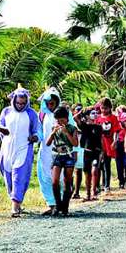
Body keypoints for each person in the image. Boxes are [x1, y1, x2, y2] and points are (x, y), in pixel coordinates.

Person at [0, 86, 39, 217]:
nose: (20, 105)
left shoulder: (31, 114)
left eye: (23, 103)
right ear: (13, 100)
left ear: (27, 102)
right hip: (7, 149)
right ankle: (17, 203)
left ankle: (14, 207)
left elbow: (37, 132)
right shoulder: (6, 112)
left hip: (24, 149)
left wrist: (34, 137)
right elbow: (4, 130)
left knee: (19, 176)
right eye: (18, 103)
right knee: (8, 177)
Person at [37, 87, 74, 215]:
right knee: (47, 178)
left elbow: (73, 135)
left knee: (66, 180)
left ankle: (64, 206)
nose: (49, 105)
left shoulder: (65, 114)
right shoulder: (42, 114)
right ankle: (53, 205)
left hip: (66, 153)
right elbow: (40, 131)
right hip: (48, 152)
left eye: (52, 103)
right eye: (47, 103)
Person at [46, 106, 79, 216]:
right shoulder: (54, 128)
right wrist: (53, 133)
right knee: (55, 181)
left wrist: (66, 132)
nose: (60, 122)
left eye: (62, 120)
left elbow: (75, 143)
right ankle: (58, 205)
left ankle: (65, 207)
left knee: (67, 181)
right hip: (57, 156)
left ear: (67, 119)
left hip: (68, 156)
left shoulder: (72, 128)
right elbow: (48, 143)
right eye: (58, 120)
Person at [95, 98, 120, 193]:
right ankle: (97, 185)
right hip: (99, 145)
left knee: (106, 165)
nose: (104, 110)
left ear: (110, 108)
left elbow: (116, 131)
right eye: (102, 108)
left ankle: (106, 185)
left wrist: (115, 141)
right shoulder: (98, 118)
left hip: (108, 145)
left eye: (106, 108)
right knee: (98, 165)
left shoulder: (113, 118)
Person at [77, 108, 102, 200]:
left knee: (95, 170)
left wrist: (101, 152)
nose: (95, 114)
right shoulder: (84, 126)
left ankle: (94, 191)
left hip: (96, 152)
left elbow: (101, 140)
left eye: (96, 113)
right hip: (86, 152)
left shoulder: (98, 127)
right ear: (87, 115)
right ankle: (87, 194)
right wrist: (81, 112)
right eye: (92, 113)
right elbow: (75, 118)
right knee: (87, 173)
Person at [71, 103, 84, 199]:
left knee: (79, 169)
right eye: (77, 109)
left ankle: (77, 191)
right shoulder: (70, 120)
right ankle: (70, 190)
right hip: (71, 146)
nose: (80, 111)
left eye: (81, 110)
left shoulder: (84, 120)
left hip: (81, 146)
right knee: (69, 169)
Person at [116, 110, 126, 188]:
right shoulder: (118, 127)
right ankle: (121, 181)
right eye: (124, 120)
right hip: (119, 145)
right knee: (119, 164)